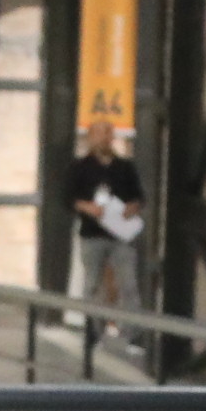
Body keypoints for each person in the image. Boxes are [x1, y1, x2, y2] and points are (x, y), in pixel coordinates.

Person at [66, 121, 147, 305]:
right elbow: (69, 199)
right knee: (92, 285)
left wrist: (132, 207)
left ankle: (130, 323)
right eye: (98, 134)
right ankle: (93, 323)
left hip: (121, 235)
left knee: (128, 285)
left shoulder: (125, 167)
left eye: (106, 134)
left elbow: (139, 197)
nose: (103, 138)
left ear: (112, 138)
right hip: (92, 234)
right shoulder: (79, 167)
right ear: (90, 138)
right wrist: (87, 207)